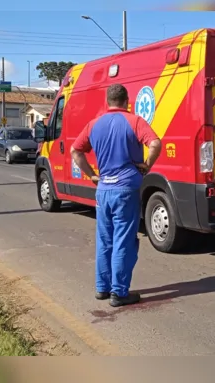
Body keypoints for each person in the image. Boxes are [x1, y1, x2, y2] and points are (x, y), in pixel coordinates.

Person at [70, 84, 162, 307]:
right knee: (123, 240)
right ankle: (119, 293)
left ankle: (102, 288)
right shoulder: (134, 121)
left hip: (104, 189)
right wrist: (147, 164)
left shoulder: (94, 124)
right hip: (126, 189)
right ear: (126, 100)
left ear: (107, 101)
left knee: (105, 240)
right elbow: (155, 143)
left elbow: (75, 151)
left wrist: (92, 175)